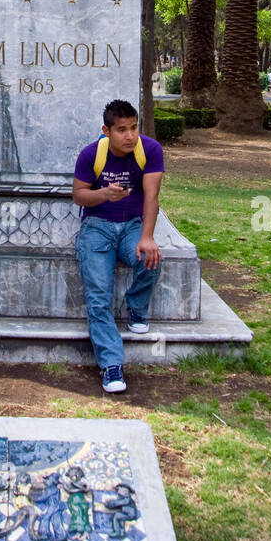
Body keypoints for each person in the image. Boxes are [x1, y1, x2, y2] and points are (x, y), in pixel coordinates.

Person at [72, 98, 164, 394]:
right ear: (106, 130)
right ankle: (112, 364)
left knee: (151, 259)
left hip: (132, 226)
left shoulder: (150, 150)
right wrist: (104, 195)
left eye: (134, 128)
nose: (130, 136)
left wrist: (147, 237)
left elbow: (151, 197)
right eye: (122, 130)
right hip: (97, 227)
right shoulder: (91, 155)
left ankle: (136, 308)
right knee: (98, 297)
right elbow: (78, 195)